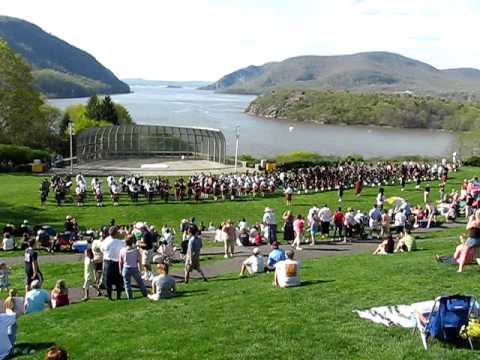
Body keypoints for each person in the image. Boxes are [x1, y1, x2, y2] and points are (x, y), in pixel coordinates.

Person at [119, 235, 148, 300]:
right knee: (140, 282)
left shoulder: (122, 250)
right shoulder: (136, 250)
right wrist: (140, 268)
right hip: (134, 267)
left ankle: (130, 297)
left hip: (126, 268)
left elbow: (120, 262)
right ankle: (145, 293)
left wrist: (120, 270)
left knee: (127, 284)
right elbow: (139, 260)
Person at [100, 226, 124, 300]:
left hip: (107, 262)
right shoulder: (120, 242)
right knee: (119, 280)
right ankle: (118, 296)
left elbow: (102, 249)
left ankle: (110, 296)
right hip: (117, 262)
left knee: (108, 281)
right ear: (116, 233)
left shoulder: (106, 240)